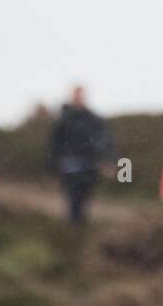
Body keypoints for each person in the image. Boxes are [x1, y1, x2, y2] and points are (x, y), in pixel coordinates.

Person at [47, 86, 113, 225]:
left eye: (81, 95)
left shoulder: (93, 119)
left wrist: (108, 161)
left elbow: (104, 141)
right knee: (73, 198)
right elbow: (54, 144)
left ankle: (79, 228)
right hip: (69, 166)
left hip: (89, 165)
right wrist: (52, 167)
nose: (79, 98)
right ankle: (72, 229)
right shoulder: (63, 120)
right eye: (77, 95)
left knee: (85, 198)